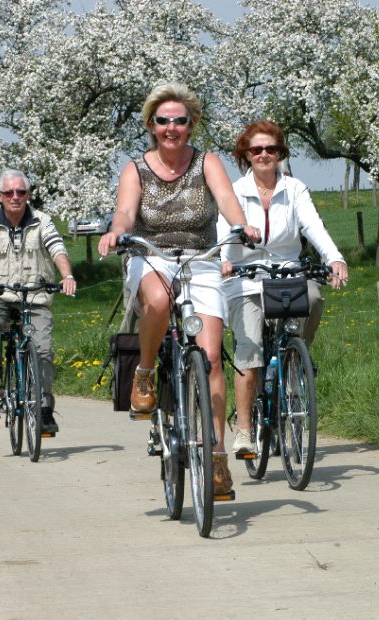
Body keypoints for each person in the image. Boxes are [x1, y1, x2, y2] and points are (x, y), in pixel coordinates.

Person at [97, 82, 261, 496]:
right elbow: (126, 211)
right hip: (150, 254)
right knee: (156, 299)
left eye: (180, 121)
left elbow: (226, 199)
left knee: (211, 357)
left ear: (192, 125)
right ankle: (146, 374)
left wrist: (242, 225)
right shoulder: (136, 167)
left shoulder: (206, 162)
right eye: (163, 120)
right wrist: (117, 232)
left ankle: (218, 457)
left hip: (200, 258)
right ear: (152, 125)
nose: (172, 127)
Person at [218, 120, 348, 455]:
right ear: (246, 155)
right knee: (249, 349)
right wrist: (223, 258)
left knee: (315, 296)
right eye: (256, 150)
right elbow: (223, 232)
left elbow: (313, 226)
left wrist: (334, 258)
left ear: (281, 153)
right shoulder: (233, 191)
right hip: (245, 278)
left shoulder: (295, 189)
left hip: (287, 273)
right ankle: (245, 430)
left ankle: (295, 362)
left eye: (271, 149)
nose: (264, 155)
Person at [0, 169, 78, 435]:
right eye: (8, 193)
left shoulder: (42, 221)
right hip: (0, 294)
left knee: (42, 351)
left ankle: (44, 408)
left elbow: (57, 248)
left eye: (21, 192)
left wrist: (67, 275)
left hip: (35, 296)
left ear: (28, 194)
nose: (15, 197)